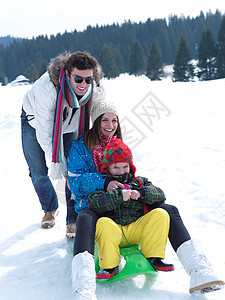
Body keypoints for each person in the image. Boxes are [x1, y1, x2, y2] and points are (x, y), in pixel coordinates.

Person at [68, 101, 224, 298]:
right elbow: (75, 182)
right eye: (104, 120)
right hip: (95, 204)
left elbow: (134, 177)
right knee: (85, 217)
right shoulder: (80, 147)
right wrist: (105, 181)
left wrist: (139, 192)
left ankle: (198, 270)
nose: (110, 125)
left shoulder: (118, 143)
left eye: (114, 120)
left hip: (126, 205)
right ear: (96, 121)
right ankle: (84, 287)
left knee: (168, 209)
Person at [21, 51, 105, 237]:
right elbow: (45, 133)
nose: (84, 85)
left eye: (88, 80)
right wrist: (61, 165)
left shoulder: (94, 88)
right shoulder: (48, 89)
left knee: (75, 170)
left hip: (69, 126)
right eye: (78, 79)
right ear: (67, 74)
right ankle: (49, 208)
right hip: (34, 123)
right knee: (39, 172)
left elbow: (101, 114)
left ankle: (73, 220)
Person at [88, 138, 174, 280]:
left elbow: (160, 194)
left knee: (160, 214)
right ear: (108, 168)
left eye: (125, 167)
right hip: (115, 231)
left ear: (130, 166)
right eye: (116, 167)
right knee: (103, 223)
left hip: (137, 229)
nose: (121, 171)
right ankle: (110, 265)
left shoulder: (140, 181)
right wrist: (118, 196)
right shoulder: (105, 184)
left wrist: (141, 193)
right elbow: (94, 203)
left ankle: (153, 257)